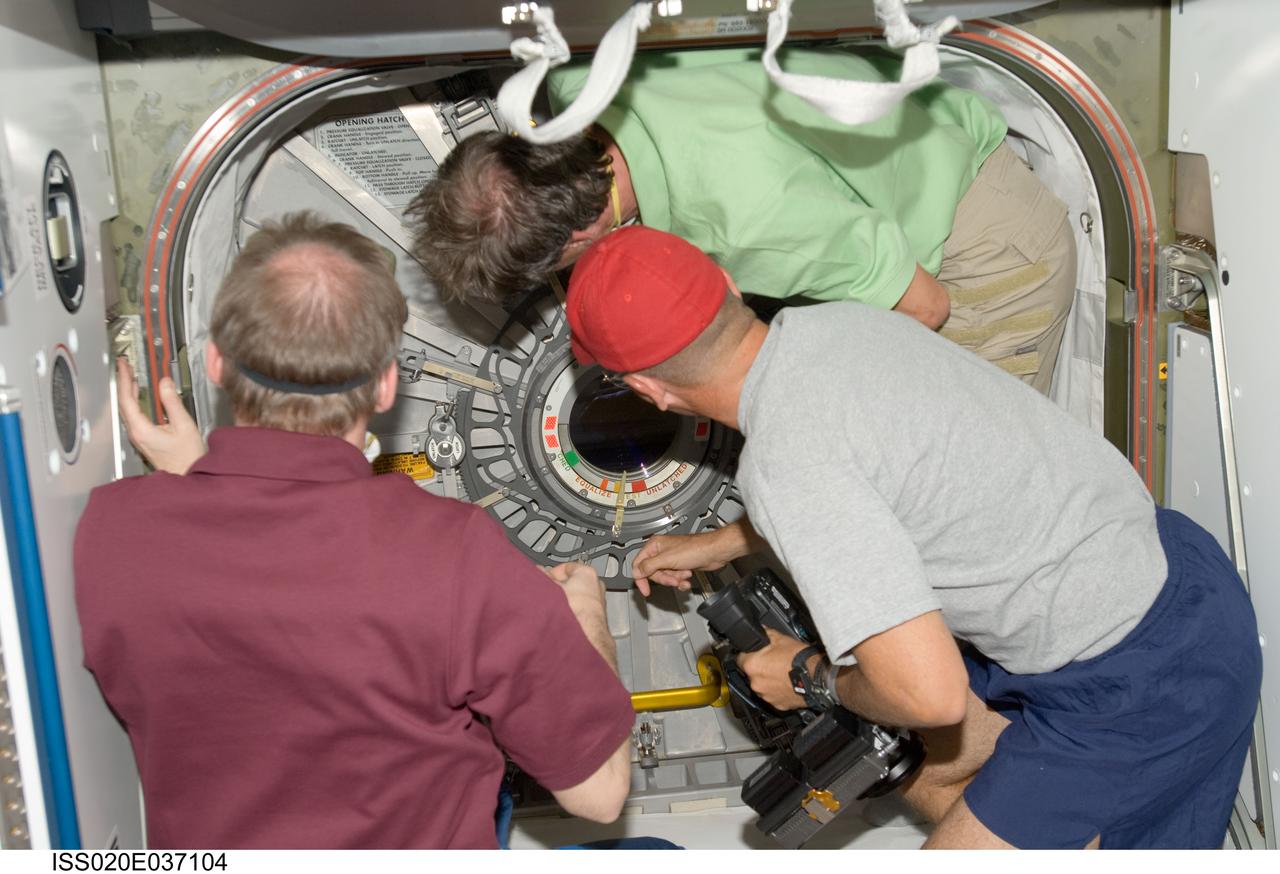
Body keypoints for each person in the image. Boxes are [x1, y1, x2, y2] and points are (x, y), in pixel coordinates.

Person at [565, 225, 1261, 849]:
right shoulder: (839, 325)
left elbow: (932, 695)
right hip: (1177, 572)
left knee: (913, 712)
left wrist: (807, 676)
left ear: (647, 389)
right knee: (931, 768)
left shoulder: (788, 464)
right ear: (724, 283)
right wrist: (723, 543)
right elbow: (886, 475)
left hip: (1136, 685)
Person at [73, 213, 636, 848]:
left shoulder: (112, 533)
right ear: (387, 383)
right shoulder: (455, 558)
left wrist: (198, 476)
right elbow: (601, 792)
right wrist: (585, 620)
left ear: (216, 363)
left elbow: (259, 578)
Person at [409, 46, 1076, 395]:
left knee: (965, 498)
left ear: (576, 240)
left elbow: (925, 306)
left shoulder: (741, 219)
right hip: (930, 132)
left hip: (986, 256)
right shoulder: (584, 73)